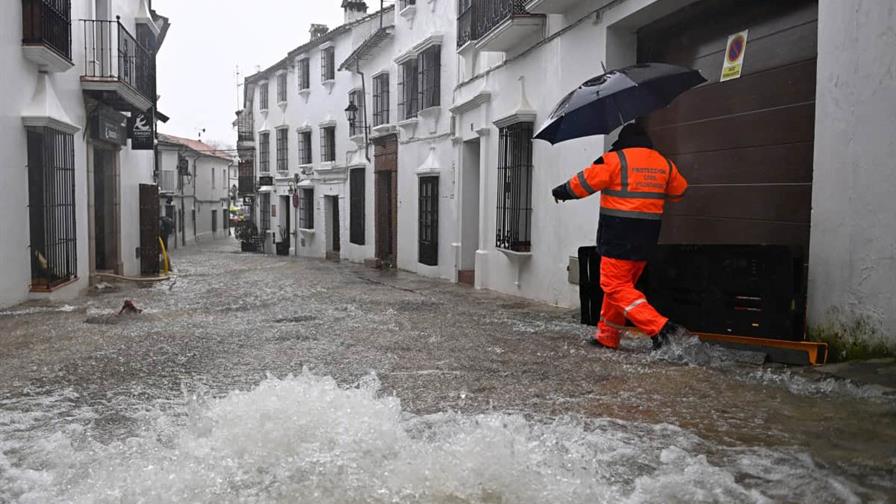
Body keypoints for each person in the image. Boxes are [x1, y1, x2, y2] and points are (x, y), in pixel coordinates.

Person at [551, 123, 689, 350]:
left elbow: (583, 184)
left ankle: (659, 327)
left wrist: (561, 191)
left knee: (614, 286)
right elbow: (679, 191)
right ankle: (607, 336)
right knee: (621, 287)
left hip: (618, 234)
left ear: (622, 141)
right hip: (647, 237)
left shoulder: (614, 160)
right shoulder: (663, 162)